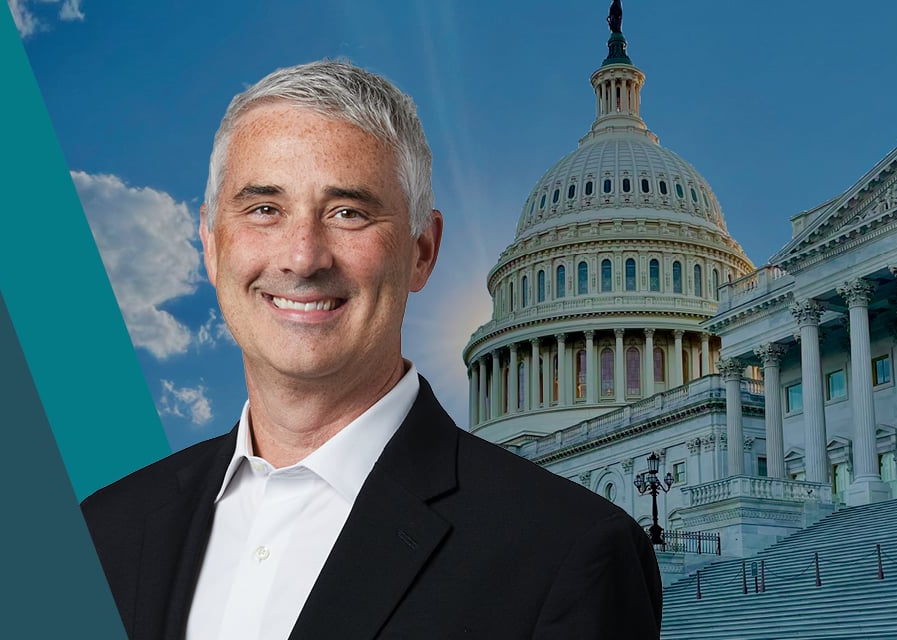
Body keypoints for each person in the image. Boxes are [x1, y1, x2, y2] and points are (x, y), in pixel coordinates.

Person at [81, 60, 662, 640]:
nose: (303, 257)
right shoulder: (103, 531)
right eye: (265, 209)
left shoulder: (569, 553)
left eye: (348, 213)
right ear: (210, 244)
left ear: (422, 252)